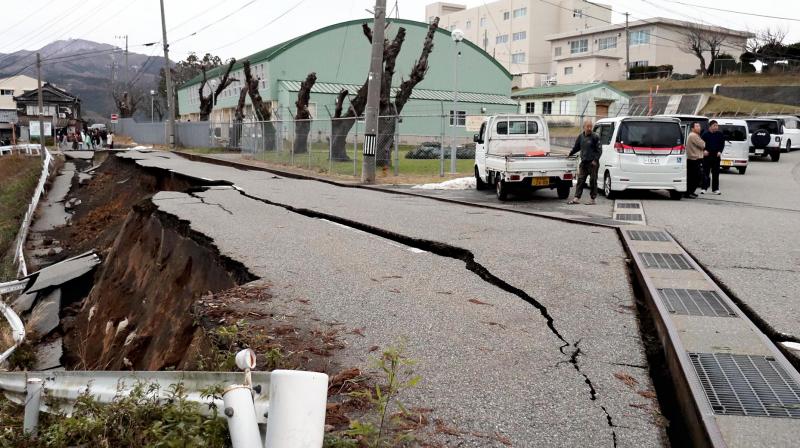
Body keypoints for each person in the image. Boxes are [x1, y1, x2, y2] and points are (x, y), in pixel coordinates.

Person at [567, 119, 603, 205]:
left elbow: (599, 150)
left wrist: (595, 160)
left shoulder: (595, 137)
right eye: (588, 126)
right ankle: (576, 198)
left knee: (592, 181)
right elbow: (576, 147)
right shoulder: (581, 137)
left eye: (591, 126)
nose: (590, 128)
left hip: (593, 163)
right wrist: (569, 154)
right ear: (584, 127)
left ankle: (592, 199)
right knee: (580, 180)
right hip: (584, 163)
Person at [701, 120, 724, 195]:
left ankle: (715, 189)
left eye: (717, 125)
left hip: (716, 157)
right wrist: (703, 150)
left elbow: (722, 144)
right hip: (707, 157)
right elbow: (701, 144)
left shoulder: (720, 134)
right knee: (705, 173)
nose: (716, 127)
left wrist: (720, 151)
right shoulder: (705, 134)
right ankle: (704, 188)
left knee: (716, 173)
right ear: (710, 126)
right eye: (714, 125)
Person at [685, 122, 705, 199]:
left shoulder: (695, 135)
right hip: (694, 159)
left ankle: (691, 192)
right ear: (692, 128)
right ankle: (688, 192)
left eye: (699, 126)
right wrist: (703, 143)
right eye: (697, 126)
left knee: (695, 177)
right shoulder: (693, 135)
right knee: (694, 177)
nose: (699, 127)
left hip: (694, 159)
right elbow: (703, 145)